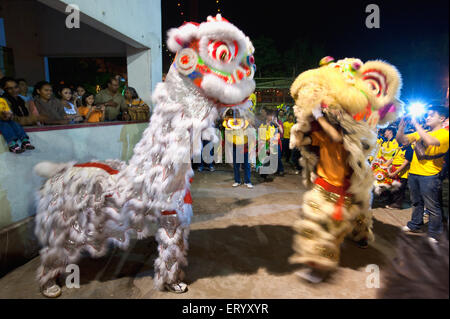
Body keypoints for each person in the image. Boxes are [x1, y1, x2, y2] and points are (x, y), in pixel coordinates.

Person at [396, 106, 449, 244]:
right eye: (427, 115)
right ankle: (415, 225)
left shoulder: (445, 134)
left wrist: (416, 124)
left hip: (430, 175)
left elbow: (431, 141)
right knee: (416, 202)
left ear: (441, 118)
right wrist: (401, 127)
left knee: (432, 206)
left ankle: (434, 233)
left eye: (431, 115)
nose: (427, 117)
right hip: (414, 172)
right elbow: (402, 140)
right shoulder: (422, 131)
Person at [385, 143, 413, 209]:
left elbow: (405, 164)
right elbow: (392, 159)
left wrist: (395, 173)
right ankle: (392, 202)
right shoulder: (399, 148)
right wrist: (384, 166)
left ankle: (397, 204)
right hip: (394, 170)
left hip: (402, 173)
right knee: (393, 187)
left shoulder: (409, 150)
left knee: (400, 189)